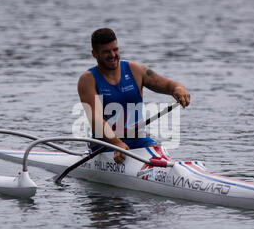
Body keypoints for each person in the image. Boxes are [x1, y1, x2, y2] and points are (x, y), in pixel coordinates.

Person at [78, 28, 190, 164]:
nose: (113, 55)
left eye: (115, 49)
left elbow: (168, 85)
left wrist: (178, 89)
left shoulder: (136, 71)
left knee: (161, 156)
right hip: (105, 143)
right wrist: (116, 143)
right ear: (94, 54)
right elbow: (96, 120)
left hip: (139, 139)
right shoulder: (88, 80)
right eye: (106, 52)